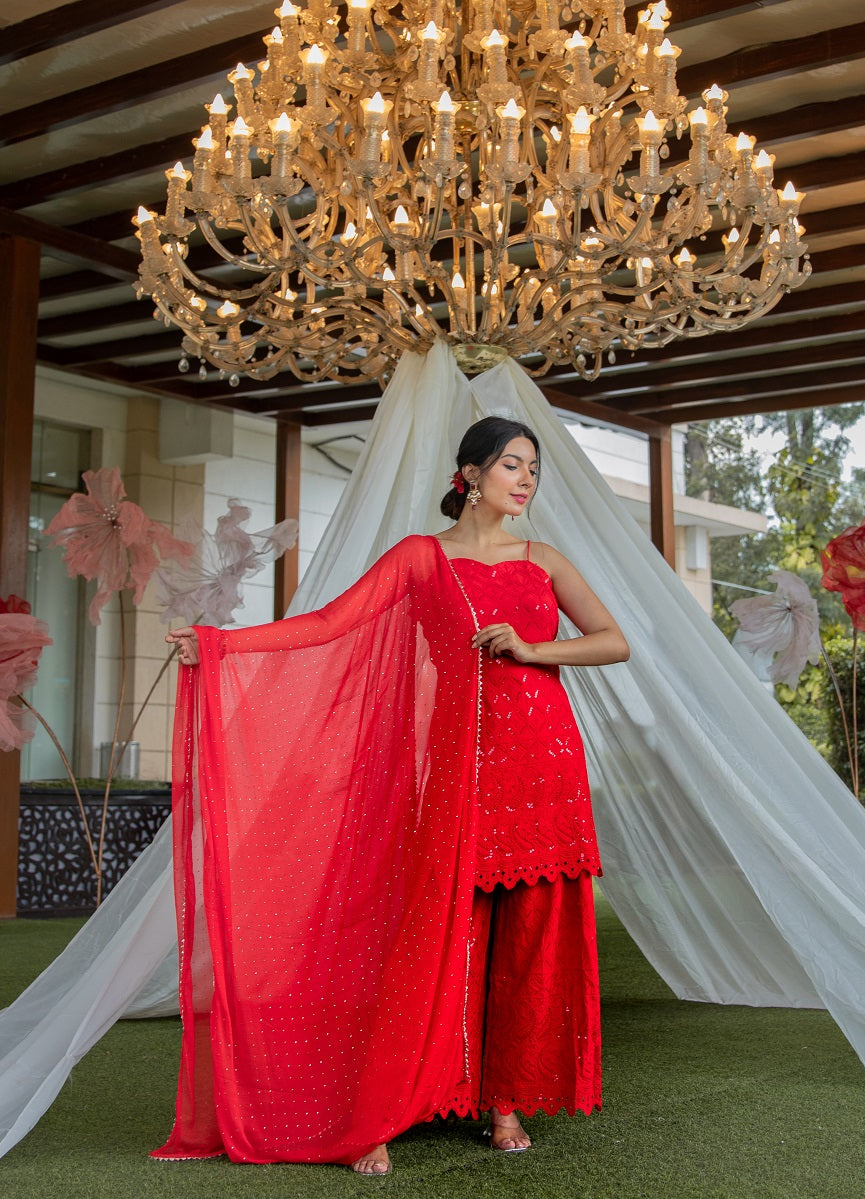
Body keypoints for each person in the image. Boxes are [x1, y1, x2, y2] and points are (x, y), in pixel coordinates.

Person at [163, 416, 629, 1175]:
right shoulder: (421, 560)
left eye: (533, 469)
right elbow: (328, 623)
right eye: (512, 464)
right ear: (470, 473)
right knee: (438, 939)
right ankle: (384, 1108)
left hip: (547, 770)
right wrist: (220, 644)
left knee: (530, 940)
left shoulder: (544, 560)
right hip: (463, 770)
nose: (525, 479)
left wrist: (534, 647)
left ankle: (502, 1097)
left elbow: (614, 639)